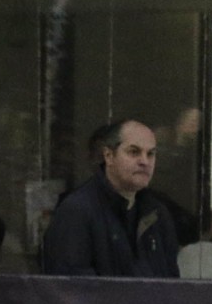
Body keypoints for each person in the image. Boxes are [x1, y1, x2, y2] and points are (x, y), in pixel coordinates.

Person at [42, 118, 180, 277]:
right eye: (134, 152)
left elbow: (172, 283)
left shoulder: (157, 213)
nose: (145, 161)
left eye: (151, 154)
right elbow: (72, 287)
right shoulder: (77, 211)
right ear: (109, 156)